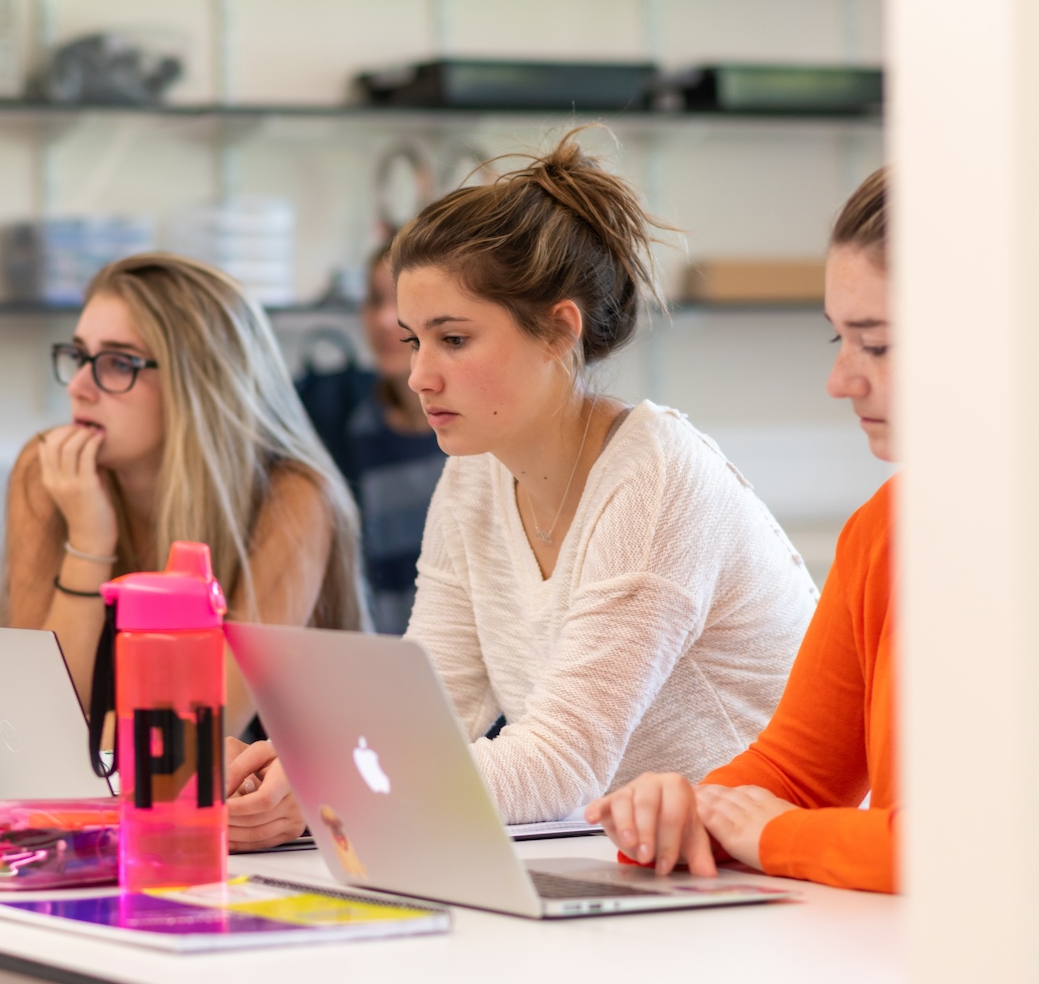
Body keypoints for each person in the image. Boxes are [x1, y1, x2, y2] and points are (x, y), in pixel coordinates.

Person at [230, 131, 819, 852]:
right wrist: (308, 764)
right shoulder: (475, 471)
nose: (419, 376)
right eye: (414, 341)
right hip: (638, 864)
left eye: (454, 339)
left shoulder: (657, 475)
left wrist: (335, 788)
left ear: (558, 331)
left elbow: (561, 763)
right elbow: (429, 706)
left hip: (771, 875)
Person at [0, 251, 364, 984]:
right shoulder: (52, 479)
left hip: (289, 853)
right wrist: (89, 537)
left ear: (198, 379)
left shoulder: (290, 497)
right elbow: (28, 726)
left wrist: (106, 746)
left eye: (119, 362)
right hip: (126, 856)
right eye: (77, 354)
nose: (84, 384)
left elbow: (197, 728)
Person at [586, 166, 898, 893]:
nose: (841, 379)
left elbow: (973, 844)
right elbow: (795, 771)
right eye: (839, 341)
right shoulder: (881, 531)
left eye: (876, 344)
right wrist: (679, 812)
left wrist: (773, 833)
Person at [296, 243, 447, 633]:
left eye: (401, 301)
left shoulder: (478, 444)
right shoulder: (340, 426)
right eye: (375, 299)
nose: (383, 319)